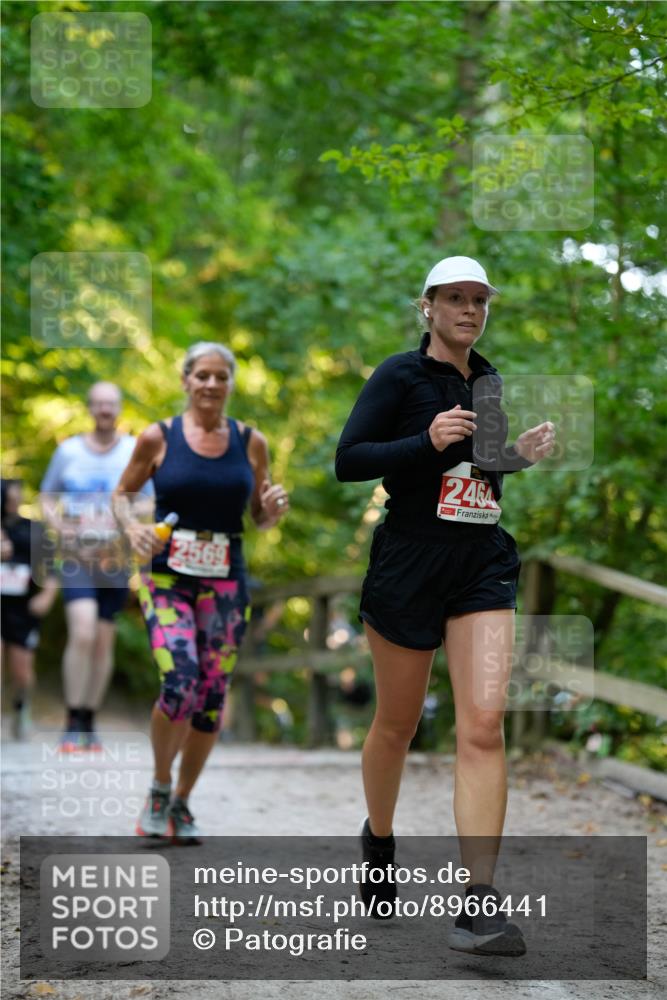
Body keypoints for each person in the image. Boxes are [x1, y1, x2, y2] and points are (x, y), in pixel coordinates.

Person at [335, 256, 555, 956]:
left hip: (480, 561)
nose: (468, 310)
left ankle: (477, 903)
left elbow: (480, 471)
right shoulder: (398, 375)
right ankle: (377, 835)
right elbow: (349, 459)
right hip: (408, 562)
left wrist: (514, 455)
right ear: (426, 307)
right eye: (454, 299)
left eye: (478, 300)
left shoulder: (486, 380)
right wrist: (421, 441)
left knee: (483, 726)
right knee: (396, 724)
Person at [113, 342, 289, 843]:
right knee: (180, 680)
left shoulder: (251, 441)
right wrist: (132, 528)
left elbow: (258, 514)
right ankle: (159, 786)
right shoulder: (158, 436)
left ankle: (183, 803)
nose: (211, 384)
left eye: (221, 377)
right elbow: (123, 495)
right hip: (167, 575)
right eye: (202, 376)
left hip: (226, 577)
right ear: (186, 381)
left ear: (231, 383)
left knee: (211, 696)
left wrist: (271, 510)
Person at [40, 382, 152, 751]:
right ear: (89, 407)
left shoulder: (133, 451)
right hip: (76, 560)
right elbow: (46, 498)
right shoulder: (68, 451)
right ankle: (73, 720)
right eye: (99, 403)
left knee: (104, 643)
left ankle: (89, 720)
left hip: (115, 562)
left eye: (111, 404)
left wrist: (124, 524)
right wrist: (61, 529)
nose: (105, 410)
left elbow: (147, 503)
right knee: (83, 632)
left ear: (119, 409)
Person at [1, 479, 58, 740]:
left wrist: (46, 597)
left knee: (22, 670)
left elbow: (53, 569)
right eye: (9, 499)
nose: (14, 503)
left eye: (17, 498)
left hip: (23, 610)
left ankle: (20, 708)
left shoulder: (33, 530)